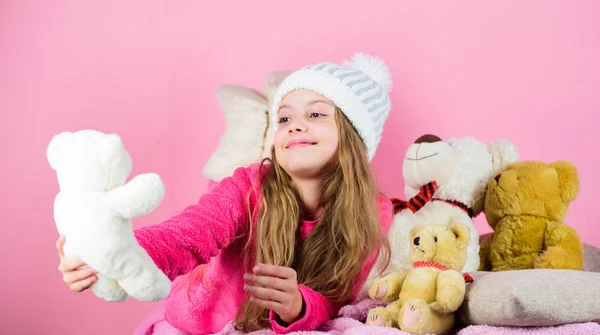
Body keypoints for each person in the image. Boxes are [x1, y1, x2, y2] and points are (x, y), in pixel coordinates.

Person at [56, 52, 395, 334]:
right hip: (191, 327)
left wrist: (299, 305)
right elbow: (189, 232)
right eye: (284, 117)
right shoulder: (248, 187)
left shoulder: (371, 212)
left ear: (355, 136)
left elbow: (335, 296)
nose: (294, 124)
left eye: (316, 113)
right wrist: (119, 249)